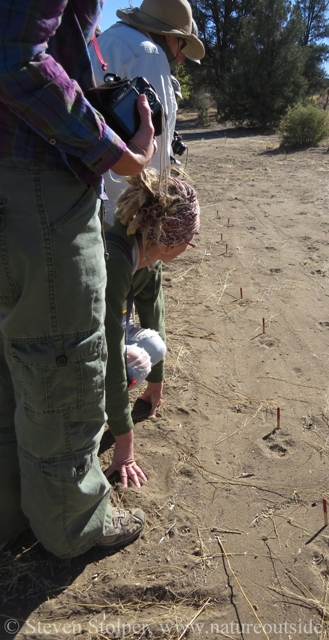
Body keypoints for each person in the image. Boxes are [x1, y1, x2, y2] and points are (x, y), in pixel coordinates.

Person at [0, 0, 158, 558]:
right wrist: (115, 151)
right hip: (41, 186)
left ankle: (13, 514)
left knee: (11, 359)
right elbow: (15, 56)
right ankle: (71, 524)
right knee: (61, 357)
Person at [103, 168, 200, 487]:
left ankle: (107, 400)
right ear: (171, 245)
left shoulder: (148, 249)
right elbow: (110, 347)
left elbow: (152, 309)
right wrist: (125, 444)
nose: (190, 245)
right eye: (189, 240)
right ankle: (97, 407)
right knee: (129, 363)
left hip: (115, 326)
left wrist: (155, 384)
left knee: (153, 350)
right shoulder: (114, 259)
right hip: (84, 340)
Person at [89, 0, 205, 226]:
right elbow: (156, 147)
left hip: (92, 198)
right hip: (128, 208)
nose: (181, 58)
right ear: (169, 36)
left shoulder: (104, 41)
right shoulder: (149, 54)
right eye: (182, 46)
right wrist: (158, 209)